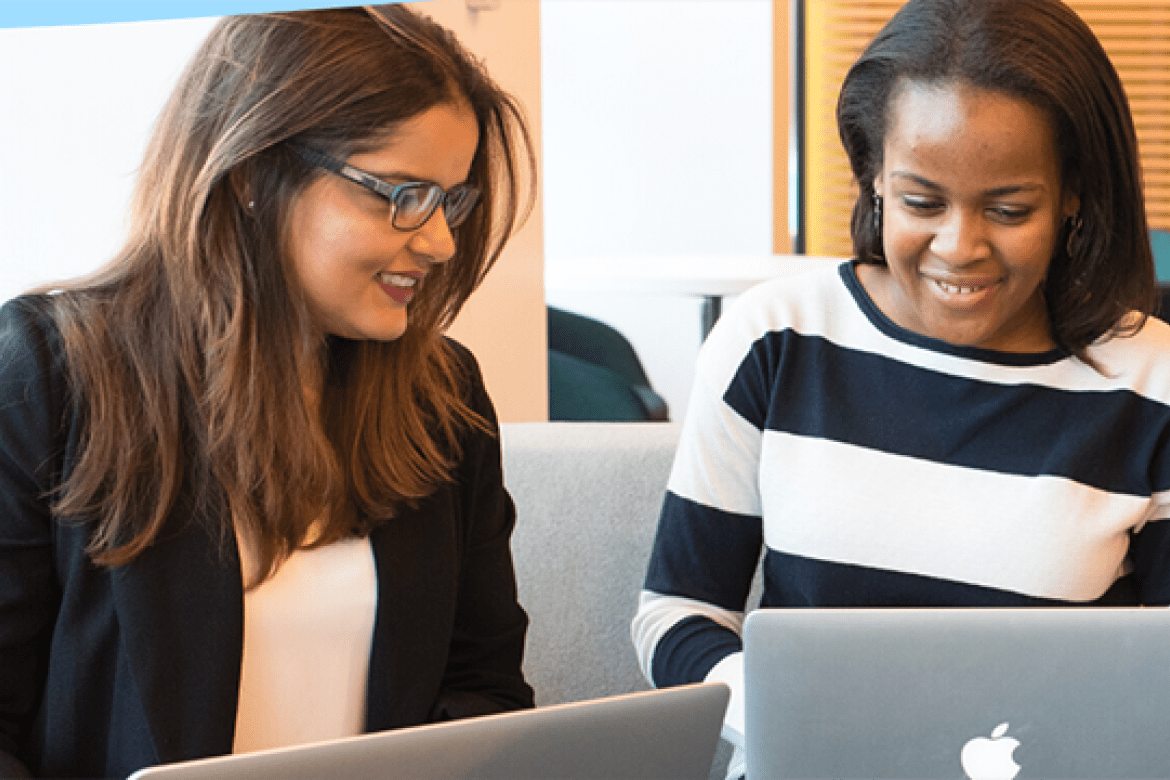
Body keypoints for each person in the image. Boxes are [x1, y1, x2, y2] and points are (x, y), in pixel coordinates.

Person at [631, 0, 1170, 777]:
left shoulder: (1152, 384)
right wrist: (790, 717)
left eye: (1008, 209)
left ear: (1074, 193)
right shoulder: (775, 340)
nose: (960, 246)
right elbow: (676, 615)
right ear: (874, 177)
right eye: (922, 202)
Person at [0, 5, 536, 777]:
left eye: (450, 200)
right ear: (252, 174)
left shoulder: (441, 400)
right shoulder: (50, 375)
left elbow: (485, 688)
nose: (441, 241)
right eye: (401, 194)